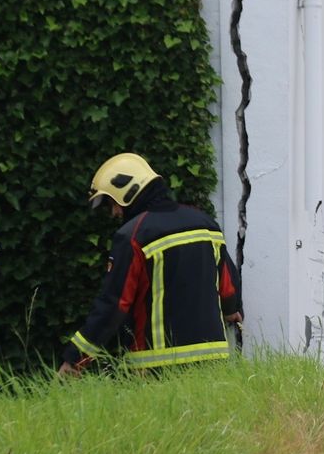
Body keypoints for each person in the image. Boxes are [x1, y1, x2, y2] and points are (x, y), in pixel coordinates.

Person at [59, 152, 242, 375]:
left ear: (127, 192)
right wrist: (232, 310)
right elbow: (228, 287)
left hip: (156, 367)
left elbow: (114, 304)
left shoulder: (134, 235)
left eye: (111, 203)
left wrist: (74, 359)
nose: (114, 213)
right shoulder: (205, 223)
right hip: (213, 363)